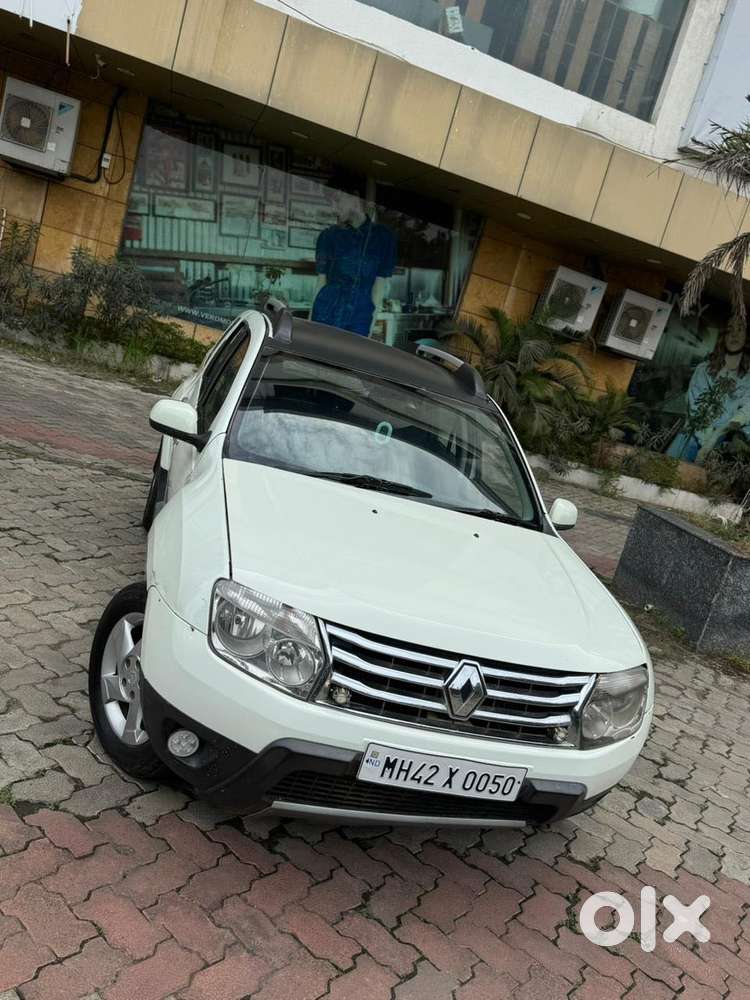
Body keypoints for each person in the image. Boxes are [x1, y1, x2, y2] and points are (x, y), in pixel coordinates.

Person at [311, 175, 397, 337]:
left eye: (337, 200)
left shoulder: (383, 238)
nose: (334, 209)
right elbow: (320, 283)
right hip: (325, 314)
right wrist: (310, 326)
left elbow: (378, 289)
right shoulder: (328, 236)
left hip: (359, 320)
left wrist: (369, 330)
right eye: (331, 203)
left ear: (355, 196)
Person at [667, 321, 750, 463]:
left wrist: (715, 439)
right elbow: (694, 409)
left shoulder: (748, 378)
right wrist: (706, 443)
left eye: (740, 330)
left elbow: (745, 413)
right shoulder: (704, 370)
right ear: (723, 336)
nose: (734, 334)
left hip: (721, 442)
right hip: (691, 436)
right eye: (729, 329)